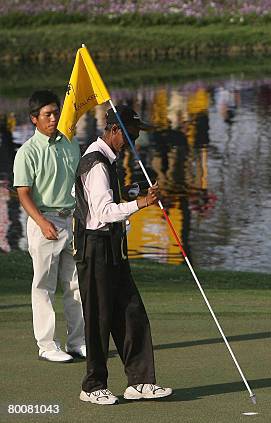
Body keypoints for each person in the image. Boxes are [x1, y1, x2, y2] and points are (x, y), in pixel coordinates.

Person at [73, 105, 172, 405]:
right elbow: (102, 212)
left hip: (113, 248)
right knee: (99, 319)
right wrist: (140, 203)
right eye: (131, 135)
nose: (135, 141)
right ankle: (92, 386)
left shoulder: (109, 160)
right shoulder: (97, 163)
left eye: (137, 135)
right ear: (114, 130)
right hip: (95, 248)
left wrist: (132, 192)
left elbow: (109, 199)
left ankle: (139, 382)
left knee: (131, 313)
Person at [13, 90, 86, 363]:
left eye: (56, 112)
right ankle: (46, 345)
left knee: (76, 284)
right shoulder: (27, 152)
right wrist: (42, 223)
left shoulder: (70, 143)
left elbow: (79, 183)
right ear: (34, 119)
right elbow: (23, 193)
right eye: (47, 114)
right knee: (43, 285)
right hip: (44, 220)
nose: (54, 118)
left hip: (72, 219)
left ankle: (78, 342)